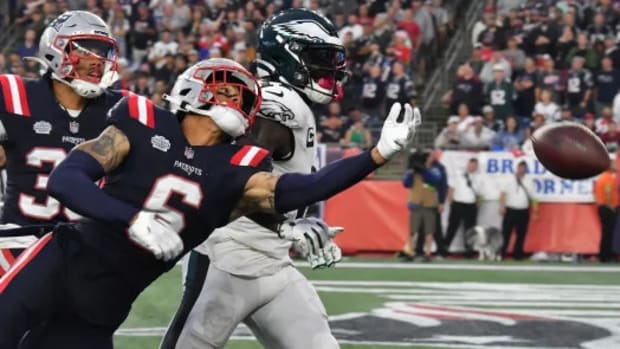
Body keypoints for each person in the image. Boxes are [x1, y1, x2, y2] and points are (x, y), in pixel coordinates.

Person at [0, 58, 419, 348]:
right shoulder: (143, 123)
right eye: (225, 89)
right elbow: (65, 180)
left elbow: (301, 190)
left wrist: (375, 155)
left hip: (105, 302)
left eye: (241, 94)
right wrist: (131, 219)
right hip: (59, 261)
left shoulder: (234, 168)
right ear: (192, 89)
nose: (235, 98)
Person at [160, 9, 348, 349]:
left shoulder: (290, 103)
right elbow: (234, 178)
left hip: (273, 264)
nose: (328, 67)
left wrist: (291, 226)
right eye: (319, 57)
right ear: (287, 54)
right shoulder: (278, 104)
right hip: (226, 259)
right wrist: (285, 226)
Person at [0, 11, 125, 276]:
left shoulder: (121, 109)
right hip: (18, 241)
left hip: (85, 247)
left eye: (103, 52)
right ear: (56, 50)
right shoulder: (14, 95)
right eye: (87, 50)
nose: (98, 61)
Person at [402, 149, 447, 261]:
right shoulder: (413, 172)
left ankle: (428, 254)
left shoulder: (436, 169)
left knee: (429, 231)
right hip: (416, 203)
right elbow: (406, 183)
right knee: (413, 230)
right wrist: (412, 170)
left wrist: (424, 170)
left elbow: (436, 180)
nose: (428, 158)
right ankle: (411, 253)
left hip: (429, 204)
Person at [499, 161, 538, 260]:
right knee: (505, 233)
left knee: (521, 234)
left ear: (526, 169)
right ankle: (502, 253)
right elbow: (503, 194)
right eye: (520, 167)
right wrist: (502, 206)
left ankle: (518, 254)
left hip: (523, 210)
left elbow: (534, 198)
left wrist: (535, 211)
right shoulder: (509, 179)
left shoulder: (529, 181)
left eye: (524, 168)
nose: (522, 170)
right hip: (510, 209)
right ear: (517, 168)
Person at [443, 158, 481, 256]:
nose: (472, 167)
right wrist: (451, 202)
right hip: (458, 203)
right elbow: (451, 188)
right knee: (452, 227)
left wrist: (477, 205)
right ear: (467, 165)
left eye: (474, 165)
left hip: (471, 205)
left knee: (470, 229)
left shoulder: (479, 177)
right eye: (471, 164)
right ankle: (444, 248)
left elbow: (479, 194)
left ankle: (469, 250)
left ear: (476, 167)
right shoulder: (459, 174)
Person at [593, 161, 618, 262]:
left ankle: (604, 255)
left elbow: (595, 193)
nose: (616, 166)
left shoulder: (601, 178)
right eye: (613, 164)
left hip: (602, 206)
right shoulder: (608, 178)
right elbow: (608, 191)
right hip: (608, 208)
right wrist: (610, 205)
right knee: (608, 233)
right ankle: (606, 255)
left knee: (605, 232)